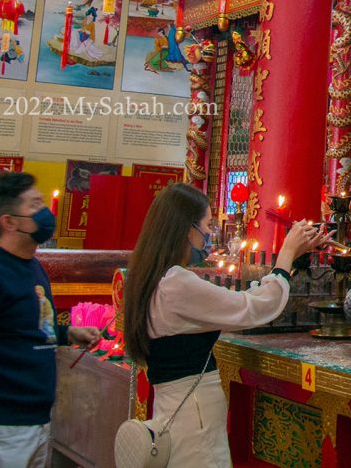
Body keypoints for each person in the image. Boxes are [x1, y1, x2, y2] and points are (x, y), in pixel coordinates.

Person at [122, 184, 328, 467]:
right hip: (193, 416)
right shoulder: (177, 283)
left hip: (173, 407)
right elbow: (252, 308)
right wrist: (286, 255)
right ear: (186, 229)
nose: (209, 235)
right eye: (207, 225)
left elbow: (236, 302)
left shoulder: (150, 276)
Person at [0, 171, 102, 468]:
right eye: (34, 205)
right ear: (9, 222)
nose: (43, 213)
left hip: (37, 420)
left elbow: (27, 327)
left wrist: (67, 332)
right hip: (1, 427)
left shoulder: (33, 267)